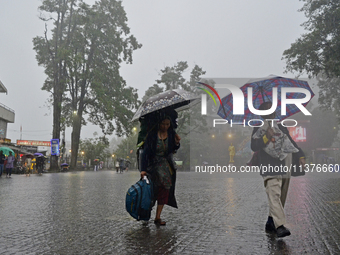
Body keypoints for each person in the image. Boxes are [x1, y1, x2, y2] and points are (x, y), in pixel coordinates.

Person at [251, 101, 305, 238]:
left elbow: (290, 141)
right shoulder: (258, 126)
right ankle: (279, 226)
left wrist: (300, 155)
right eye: (267, 108)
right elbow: (254, 145)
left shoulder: (280, 124)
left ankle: (270, 222)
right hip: (269, 166)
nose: (271, 111)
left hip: (285, 165)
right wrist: (266, 137)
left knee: (280, 197)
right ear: (262, 111)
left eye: (272, 108)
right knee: (274, 194)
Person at [140, 114, 181, 226]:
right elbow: (145, 153)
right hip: (152, 165)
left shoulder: (171, 134)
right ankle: (146, 213)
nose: (165, 126)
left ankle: (158, 217)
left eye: (167, 124)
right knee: (152, 190)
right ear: (159, 123)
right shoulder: (152, 135)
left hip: (166, 166)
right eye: (163, 124)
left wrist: (177, 142)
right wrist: (143, 169)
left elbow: (173, 149)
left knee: (165, 189)